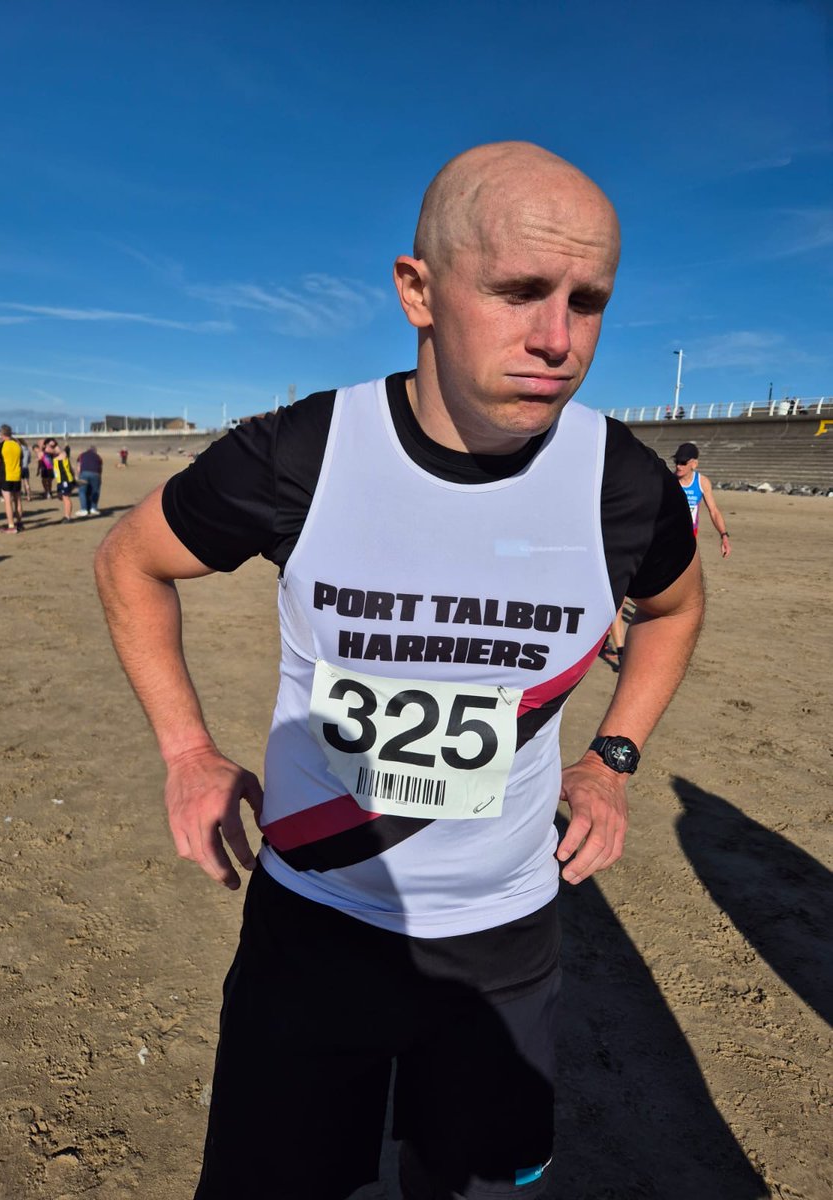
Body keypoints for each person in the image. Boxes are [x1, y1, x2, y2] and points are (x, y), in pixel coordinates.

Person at [95, 141, 703, 1200]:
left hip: (507, 945)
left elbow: (676, 607)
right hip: (312, 928)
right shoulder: (304, 452)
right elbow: (131, 559)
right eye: (519, 292)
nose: (557, 339)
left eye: (588, 300)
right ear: (418, 291)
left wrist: (612, 757)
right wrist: (187, 750)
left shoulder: (621, 480)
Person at [672, 442, 731, 556]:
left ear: (694, 464)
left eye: (683, 462)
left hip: (690, 536)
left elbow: (714, 511)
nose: (678, 466)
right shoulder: (670, 481)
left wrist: (724, 536)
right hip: (669, 534)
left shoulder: (702, 482)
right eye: (676, 462)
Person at [0, 424, 24, 533]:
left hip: (6, 476)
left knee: (8, 502)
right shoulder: (17, 445)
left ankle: (11, 526)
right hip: (17, 475)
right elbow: (20, 460)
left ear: (1, 434)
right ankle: (19, 523)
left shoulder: (0, 446)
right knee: (18, 501)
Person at [51, 441, 77, 523]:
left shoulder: (63, 454)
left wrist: (62, 444)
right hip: (60, 480)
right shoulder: (57, 455)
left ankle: (67, 517)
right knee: (60, 496)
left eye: (55, 446)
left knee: (66, 498)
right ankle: (67, 514)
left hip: (65, 479)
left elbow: (59, 450)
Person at [76, 444, 103, 516]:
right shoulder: (98, 457)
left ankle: (84, 509)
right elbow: (100, 469)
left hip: (84, 473)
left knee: (82, 492)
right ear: (95, 451)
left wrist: (79, 476)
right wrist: (99, 478)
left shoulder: (81, 455)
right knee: (95, 492)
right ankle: (93, 508)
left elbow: (79, 466)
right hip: (96, 474)